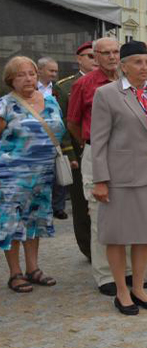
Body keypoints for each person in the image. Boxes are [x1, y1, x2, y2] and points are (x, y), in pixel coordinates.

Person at [90, 40, 147, 315]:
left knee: (144, 234)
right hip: (120, 176)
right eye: (137, 62)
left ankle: (138, 286)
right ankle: (121, 291)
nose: (144, 67)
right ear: (123, 66)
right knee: (118, 235)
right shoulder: (107, 94)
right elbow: (98, 141)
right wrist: (100, 180)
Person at [68, 37, 143, 296]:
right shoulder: (84, 84)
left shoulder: (131, 82)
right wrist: (91, 145)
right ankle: (106, 275)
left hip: (130, 154)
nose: (112, 57)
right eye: (106, 53)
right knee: (101, 214)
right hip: (98, 152)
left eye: (115, 52)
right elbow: (74, 122)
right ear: (95, 56)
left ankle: (132, 271)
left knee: (133, 212)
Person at [1, 56, 64, 292]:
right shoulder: (5, 105)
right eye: (21, 74)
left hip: (42, 174)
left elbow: (60, 130)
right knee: (13, 225)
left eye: (32, 73)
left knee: (34, 222)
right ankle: (15, 273)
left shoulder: (50, 102)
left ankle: (33, 268)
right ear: (11, 80)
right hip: (12, 177)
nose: (28, 78)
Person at [57, 42, 97, 259]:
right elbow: (63, 124)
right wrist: (71, 153)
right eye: (89, 56)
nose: (94, 60)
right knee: (82, 204)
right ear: (78, 59)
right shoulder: (64, 87)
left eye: (95, 55)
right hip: (80, 152)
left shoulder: (111, 82)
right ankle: (88, 249)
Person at [37, 57, 69, 220]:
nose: (54, 74)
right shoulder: (30, 89)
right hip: (35, 140)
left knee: (58, 174)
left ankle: (58, 207)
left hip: (55, 140)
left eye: (56, 71)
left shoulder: (59, 90)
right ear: (40, 70)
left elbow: (65, 116)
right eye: (51, 70)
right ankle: (41, 207)